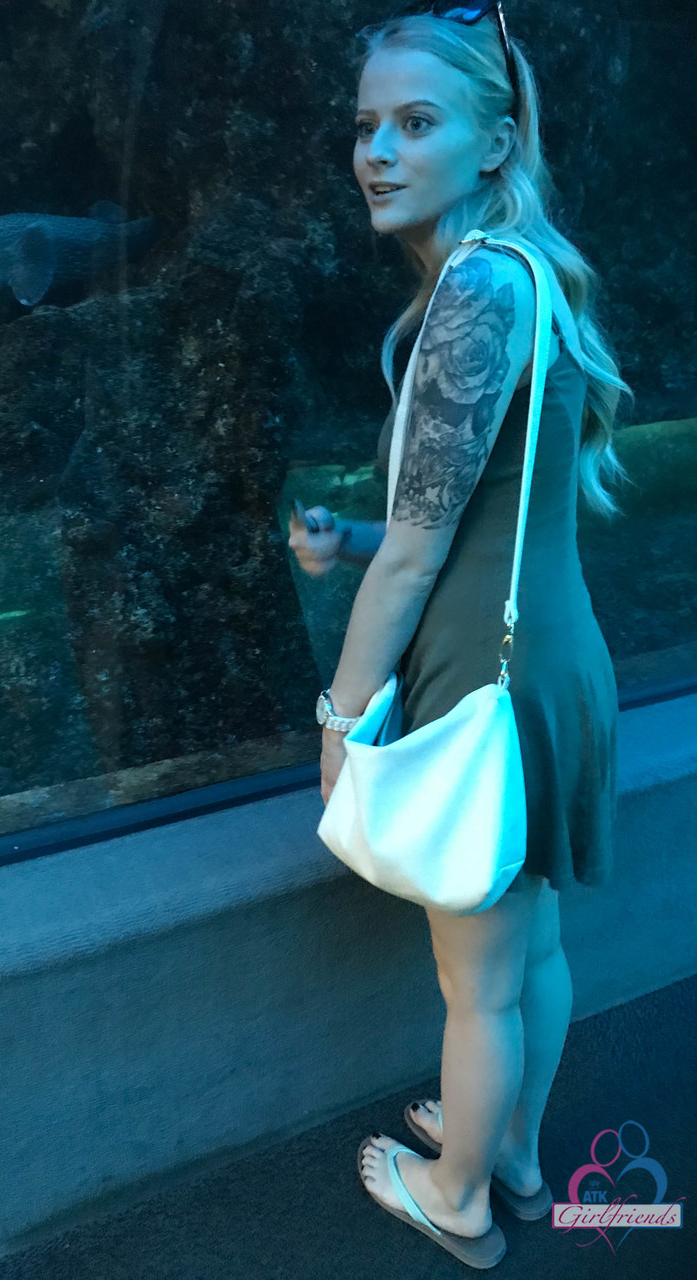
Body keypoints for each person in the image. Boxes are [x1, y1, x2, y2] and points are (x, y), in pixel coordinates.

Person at [288, 4, 634, 1269]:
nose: (378, 152)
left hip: (478, 681)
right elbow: (478, 517)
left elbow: (425, 555)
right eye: (365, 126)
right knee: (529, 945)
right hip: (548, 661)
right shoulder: (525, 274)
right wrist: (355, 537)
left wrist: (339, 716)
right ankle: (518, 1152)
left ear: (493, 142)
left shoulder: (476, 291)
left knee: (474, 983)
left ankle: (457, 1193)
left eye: (415, 122)